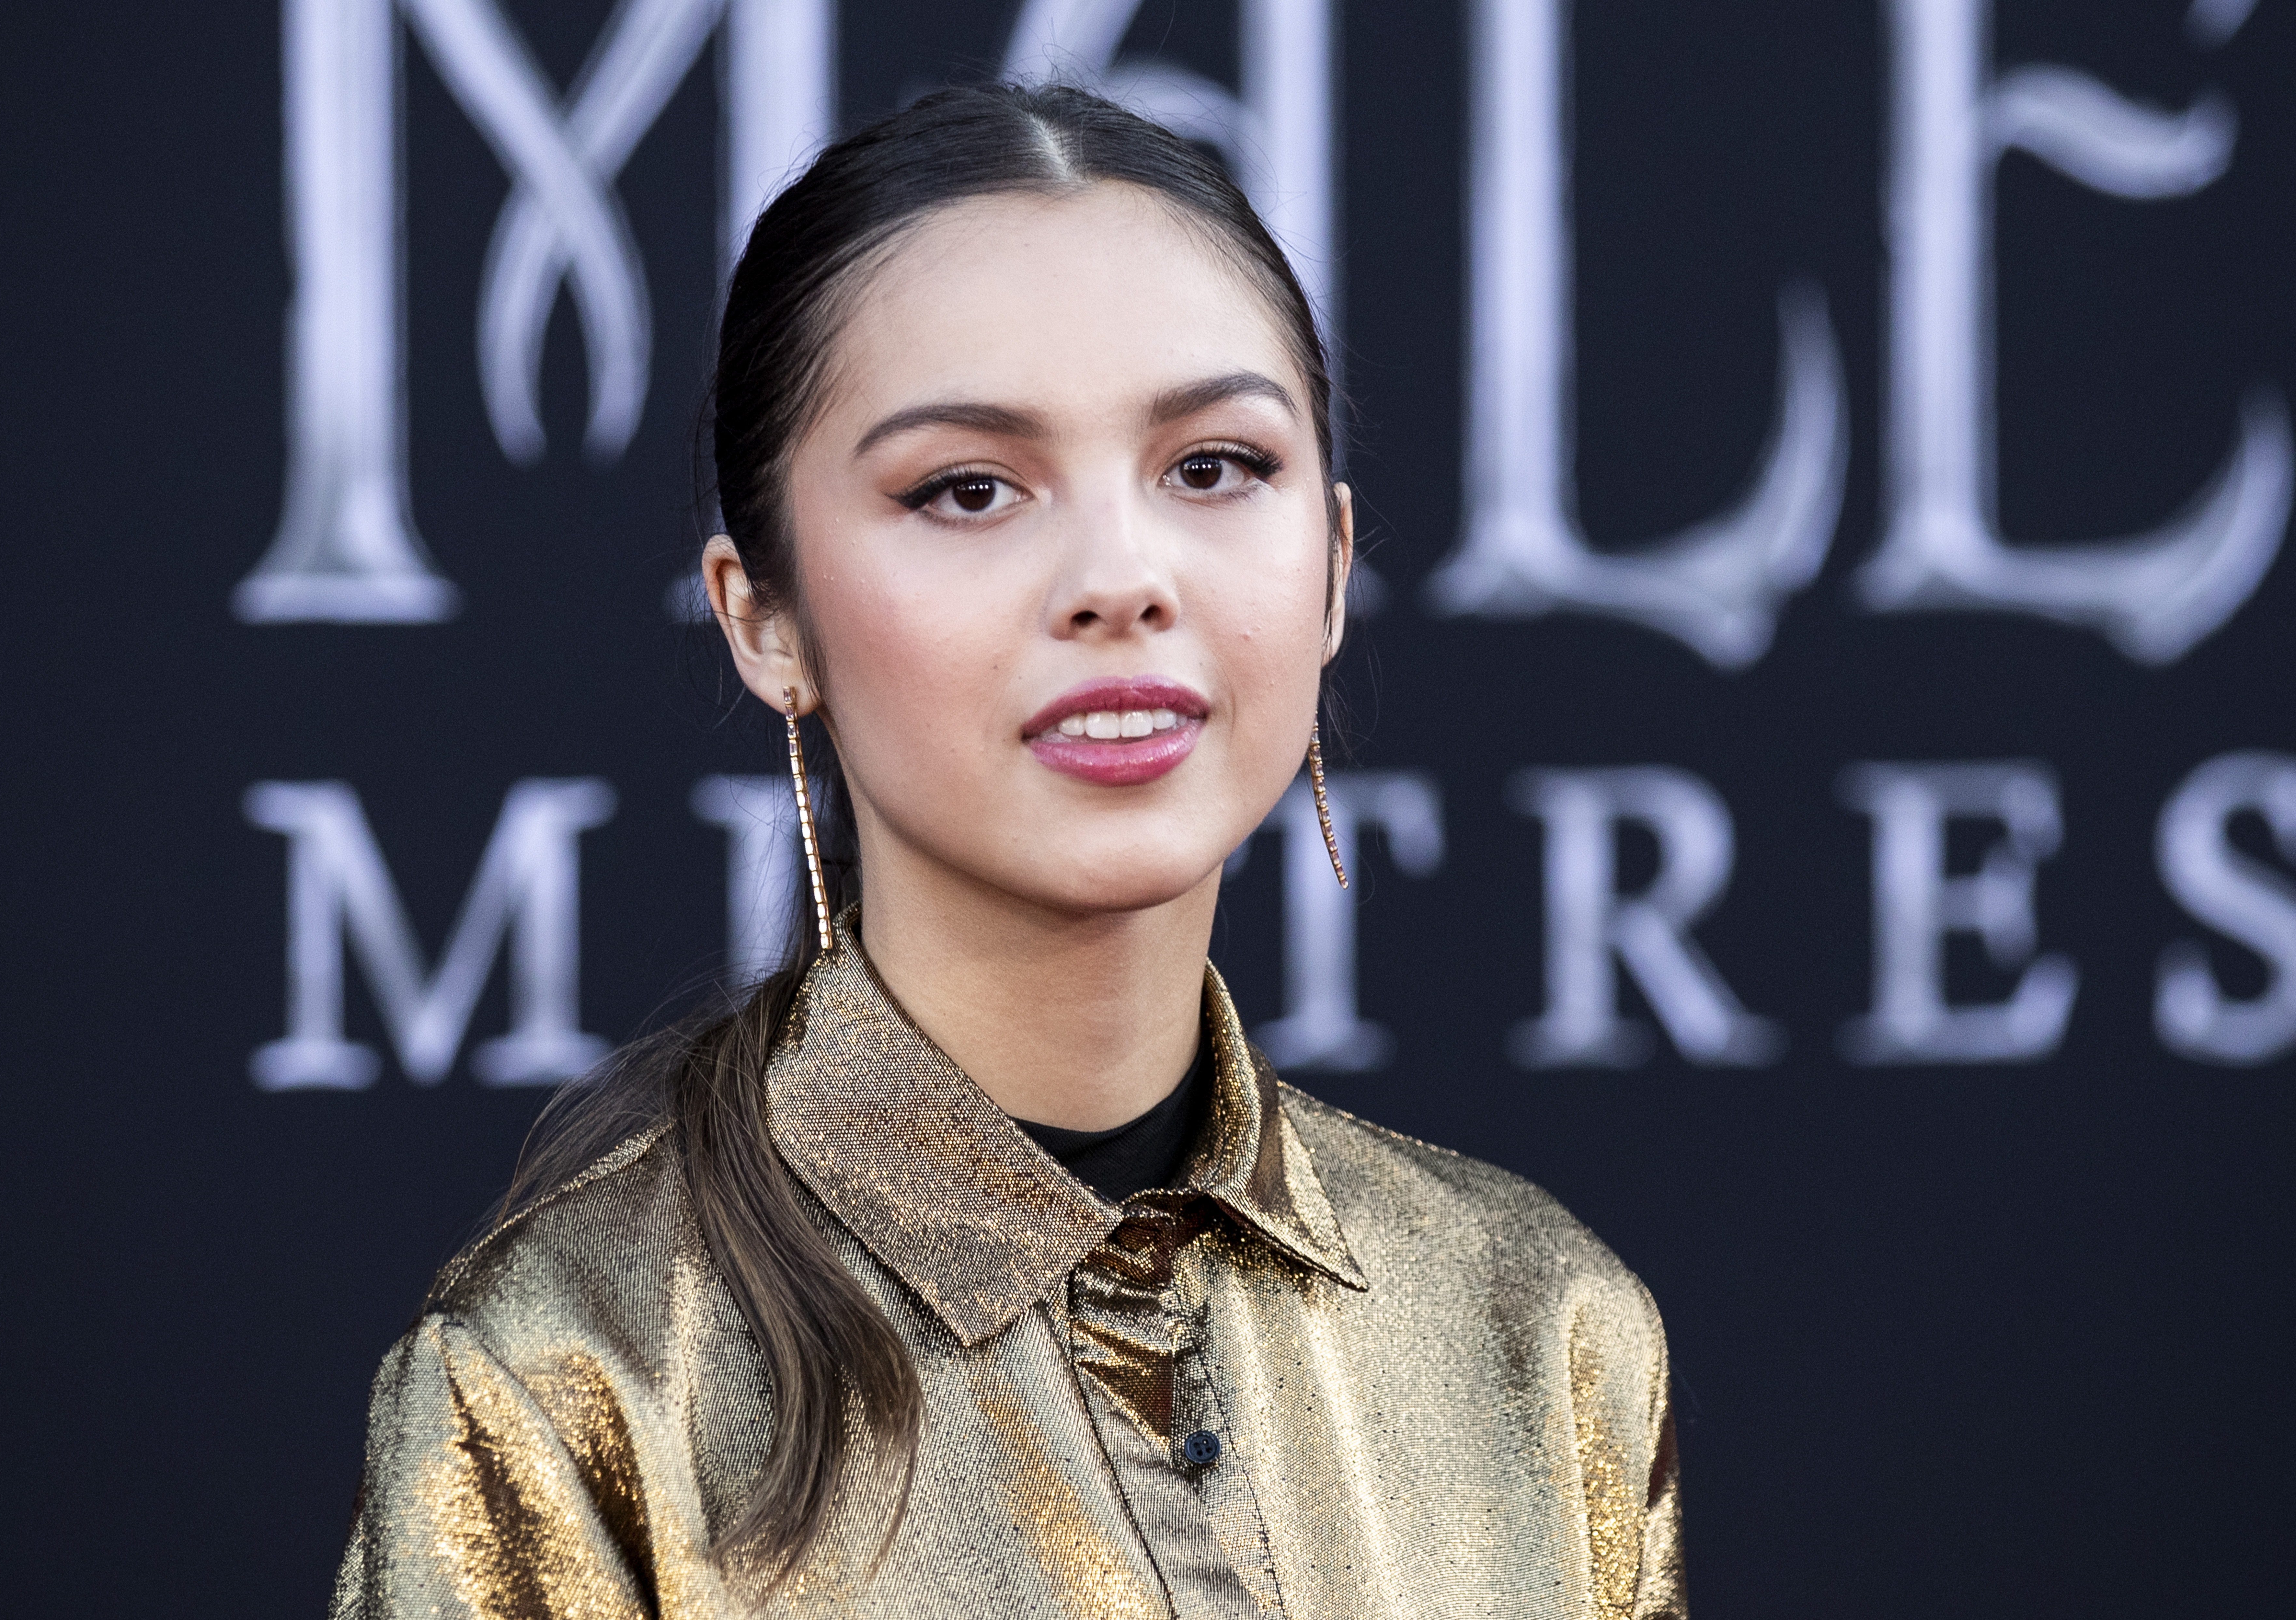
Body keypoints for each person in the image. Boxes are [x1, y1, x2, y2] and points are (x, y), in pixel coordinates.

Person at [333, 82, 1682, 1619]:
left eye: (1215, 468)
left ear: (1332, 568)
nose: (1121, 578)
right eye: (968, 489)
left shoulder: (1538, 1320)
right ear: (763, 616)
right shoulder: (573, 1374)